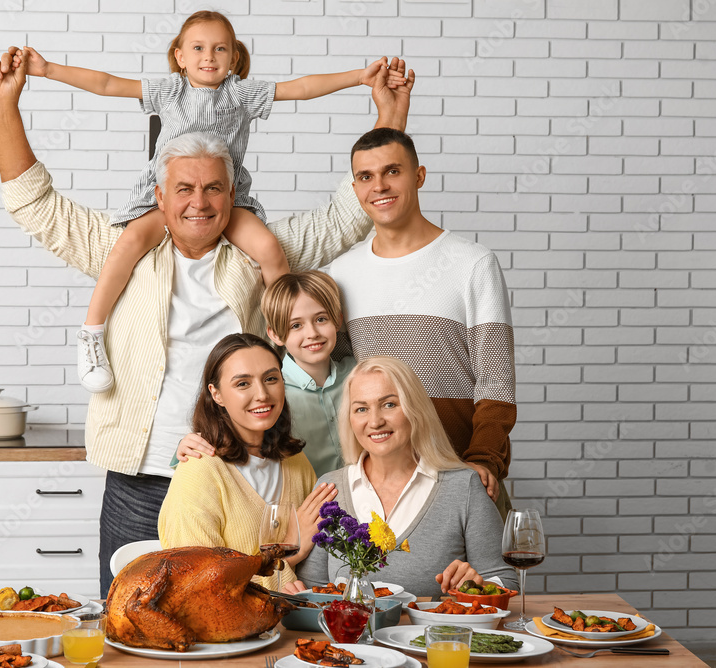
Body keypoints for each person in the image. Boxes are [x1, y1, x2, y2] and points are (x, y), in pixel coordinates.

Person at [0, 46, 414, 596]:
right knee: (133, 618)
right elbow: (36, 205)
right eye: (183, 188)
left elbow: (345, 217)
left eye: (214, 188)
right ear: (158, 195)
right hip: (140, 479)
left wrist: (390, 114)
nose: (199, 202)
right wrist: (3, 106)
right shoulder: (124, 250)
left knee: (243, 614)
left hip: (239, 479)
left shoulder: (259, 253)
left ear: (234, 194)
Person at [13, 10, 402, 393]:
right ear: (180, 57)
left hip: (225, 200)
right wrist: (48, 69)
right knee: (126, 246)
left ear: (234, 58)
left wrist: (358, 78)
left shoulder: (241, 94)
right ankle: (92, 335)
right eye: (198, 48)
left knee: (268, 247)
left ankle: (285, 335)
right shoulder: (170, 91)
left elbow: (301, 88)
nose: (209, 57)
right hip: (163, 199)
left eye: (220, 49)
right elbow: (106, 83)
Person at [326, 128, 516, 516]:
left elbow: (496, 381)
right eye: (365, 176)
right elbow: (336, 381)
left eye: (392, 171)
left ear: (419, 176)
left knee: (483, 580)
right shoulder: (341, 273)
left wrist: (484, 460)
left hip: (460, 477)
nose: (379, 186)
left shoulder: (472, 263)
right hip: (376, 491)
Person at [288, 356, 518, 599]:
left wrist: (476, 585)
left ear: (414, 409)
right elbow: (314, 591)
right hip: (349, 637)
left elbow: (507, 581)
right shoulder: (330, 489)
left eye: (389, 404)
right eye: (361, 409)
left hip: (432, 637)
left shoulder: (465, 485)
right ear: (350, 419)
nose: (375, 421)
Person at [158, 333, 336, 590]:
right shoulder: (199, 470)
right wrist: (288, 556)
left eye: (271, 379)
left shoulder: (295, 462)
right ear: (216, 394)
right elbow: (200, 587)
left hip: (292, 622)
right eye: (243, 384)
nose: (262, 394)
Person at [176, 271, 354, 477]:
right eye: (296, 325)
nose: (312, 333)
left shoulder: (357, 374)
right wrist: (185, 445)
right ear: (275, 334)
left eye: (321, 319)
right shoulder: (268, 394)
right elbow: (225, 432)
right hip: (301, 501)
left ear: (338, 321)